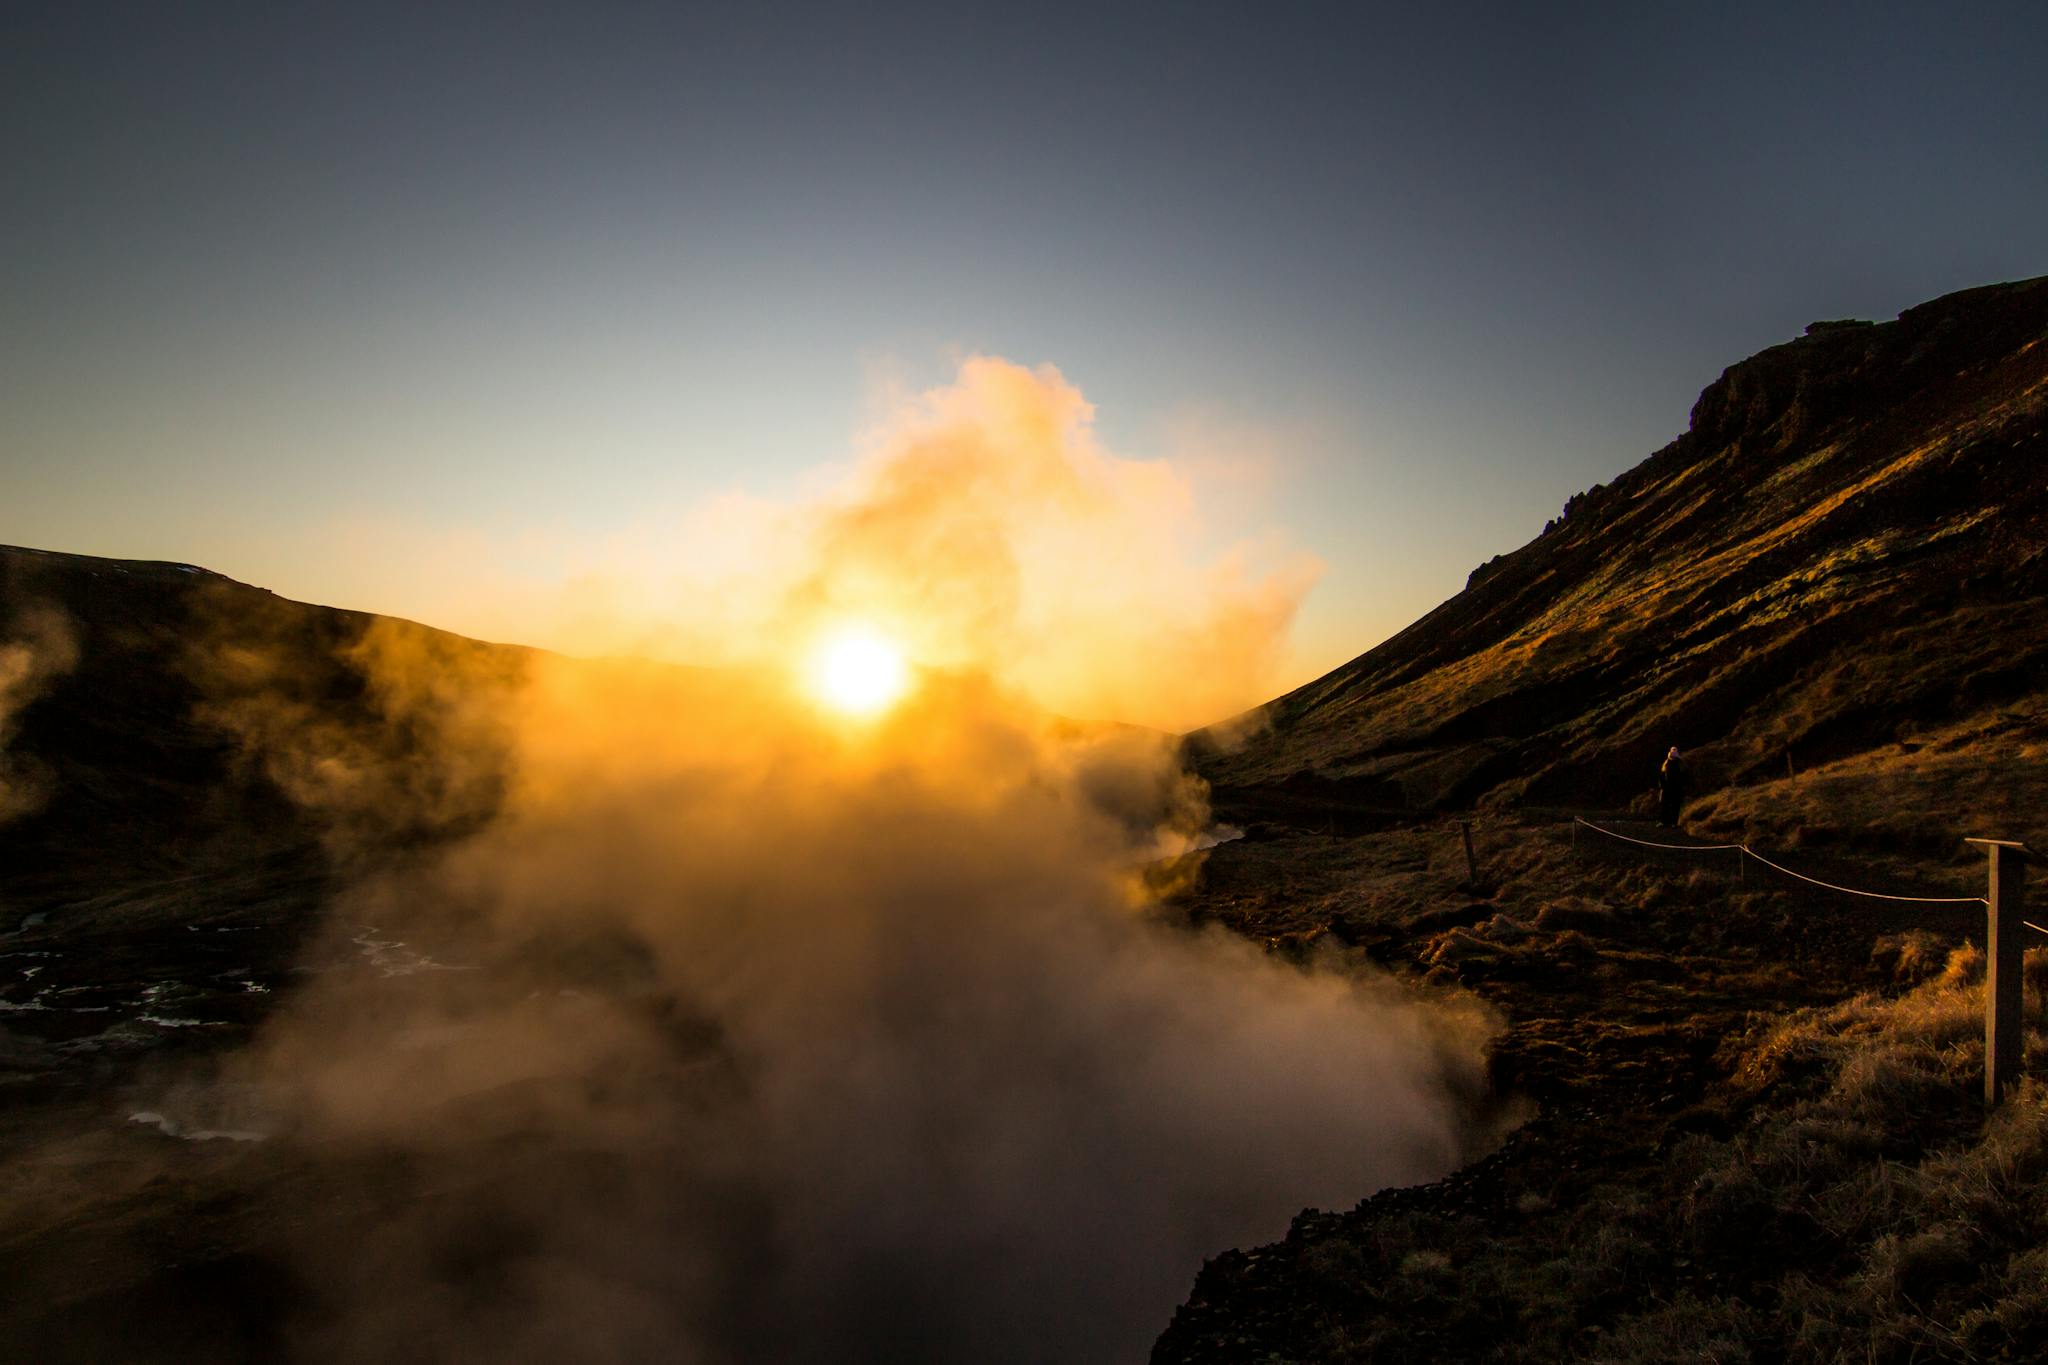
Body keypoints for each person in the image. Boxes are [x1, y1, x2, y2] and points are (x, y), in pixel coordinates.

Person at [1658, 746, 1689, 826]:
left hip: (1675, 788)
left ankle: (1670, 822)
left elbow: (1684, 776)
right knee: (1667, 805)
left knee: (1672, 805)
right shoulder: (1672, 763)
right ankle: (1666, 822)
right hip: (1669, 788)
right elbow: (1662, 776)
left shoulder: (1673, 764)